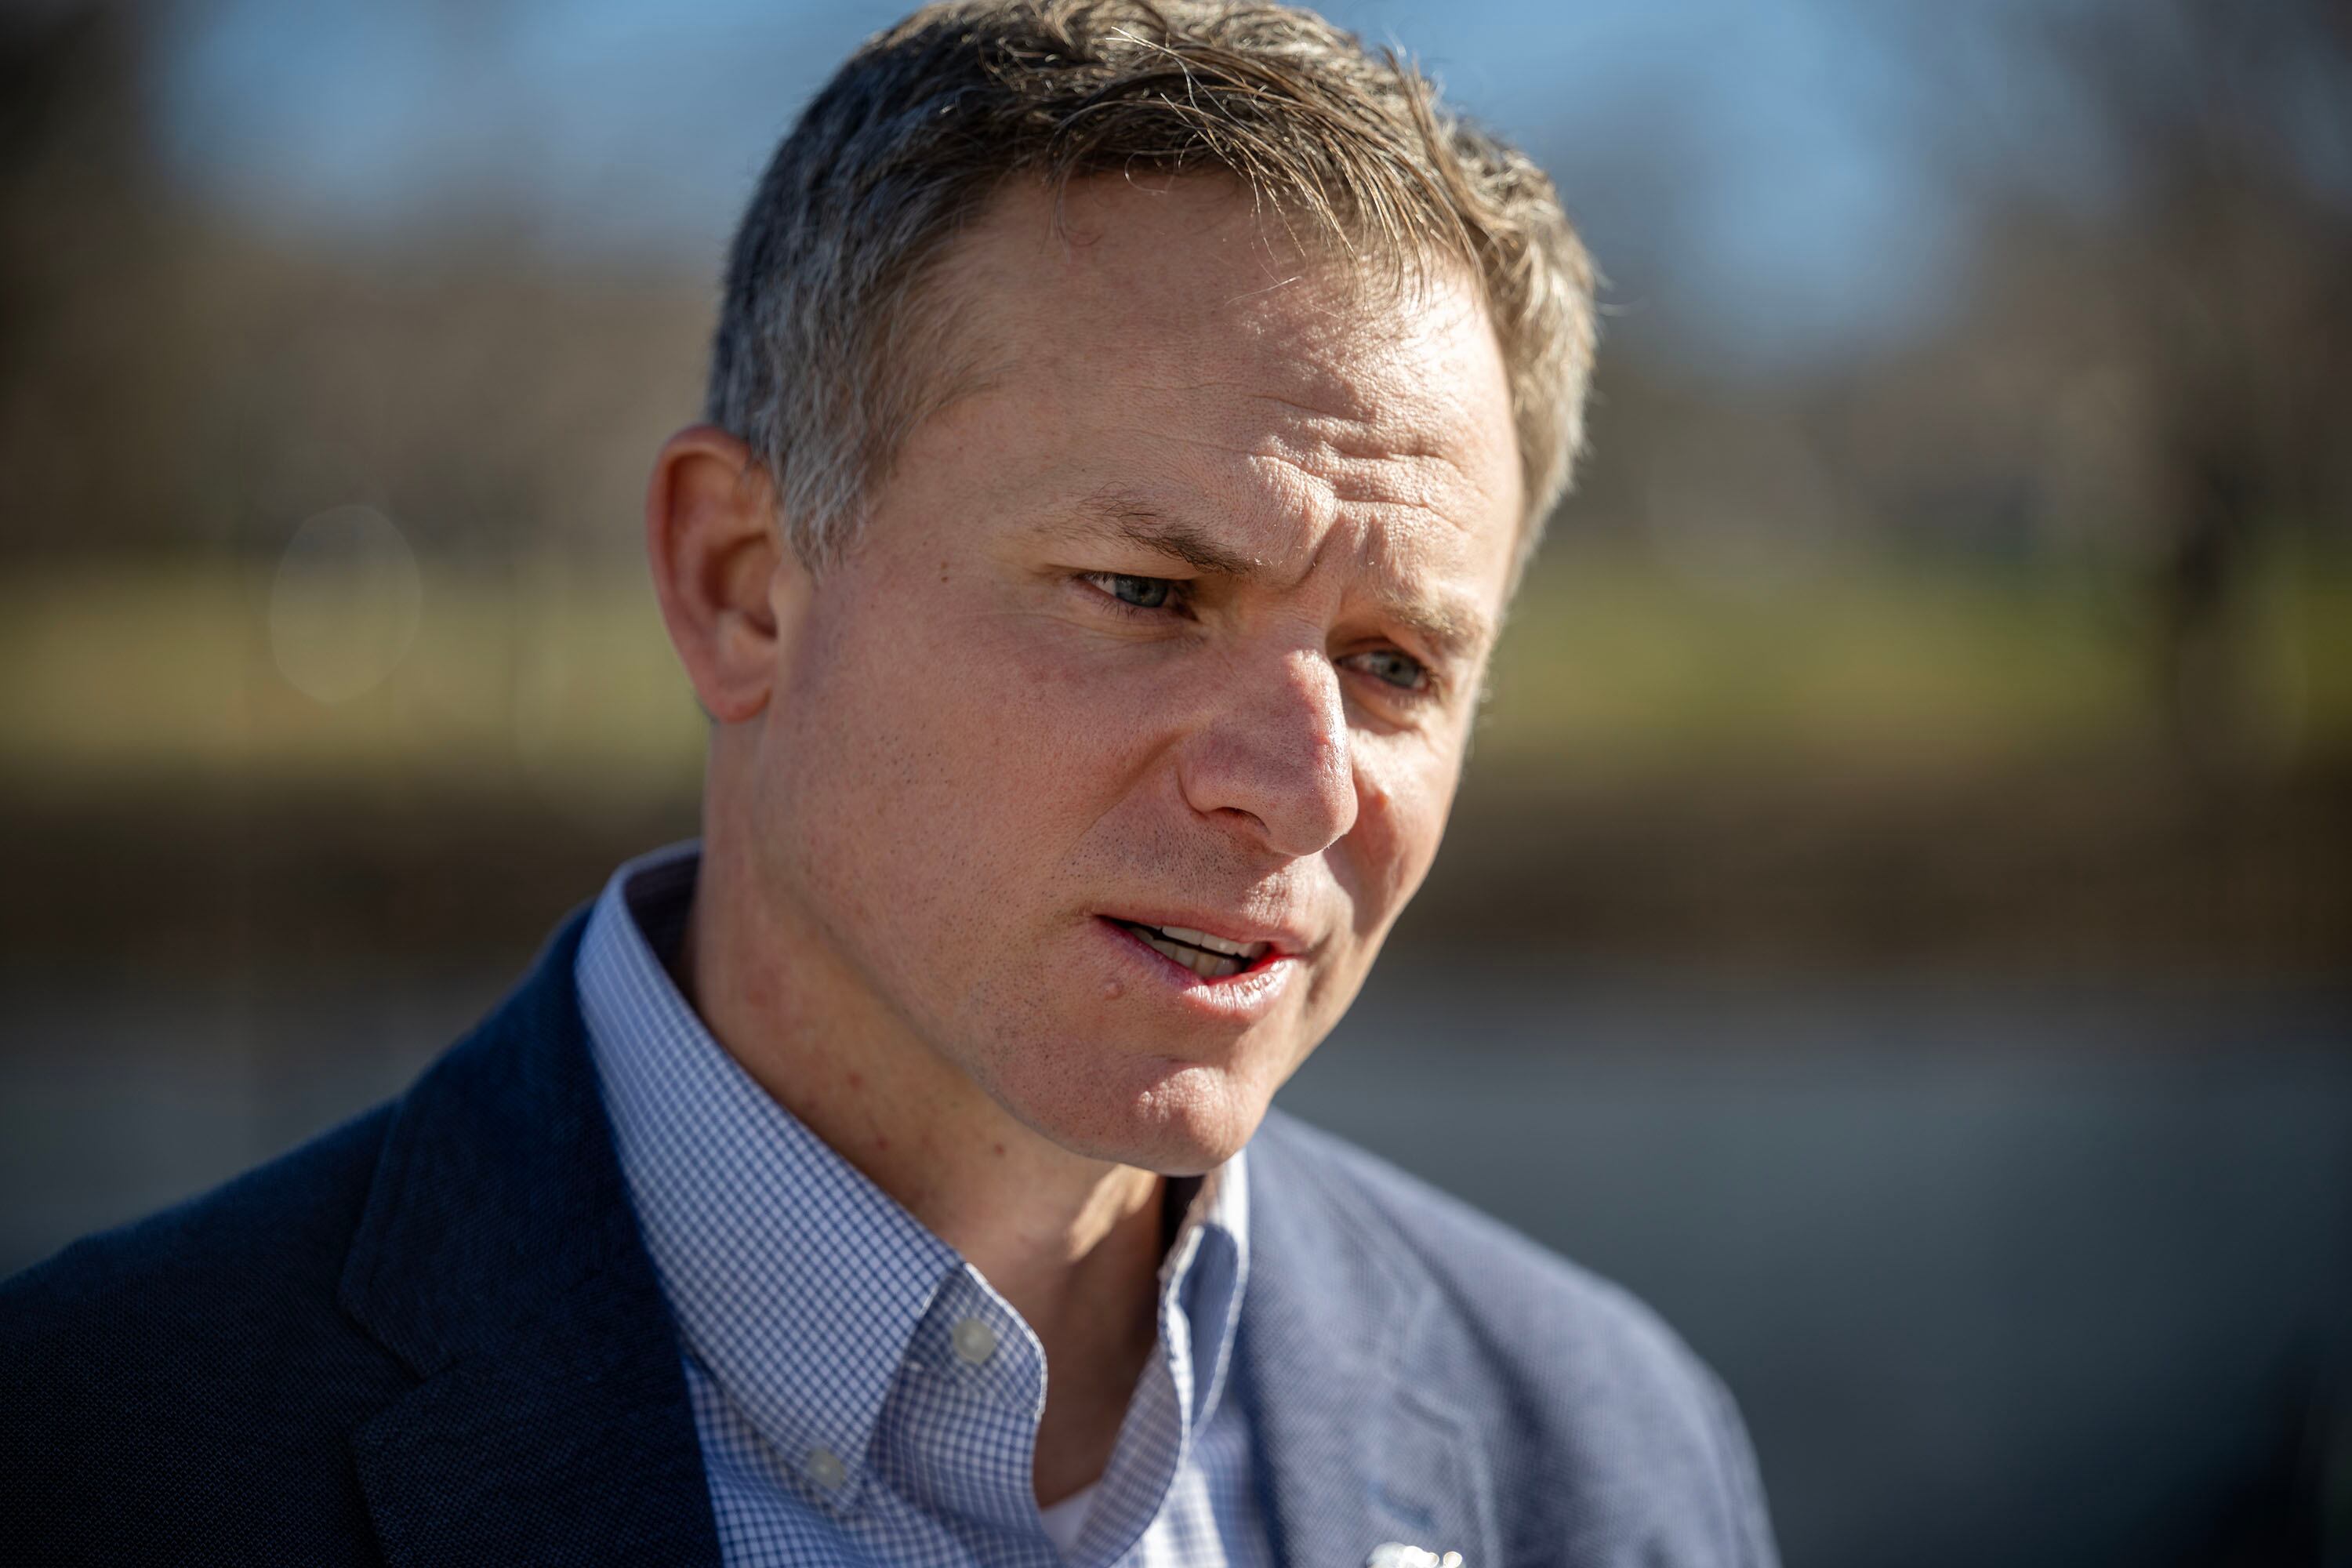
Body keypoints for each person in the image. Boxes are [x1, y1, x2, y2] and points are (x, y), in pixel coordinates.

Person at [0, 2, 1778, 1564]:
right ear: (743, 583)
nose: (1299, 787)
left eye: (1396, 663)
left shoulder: (1599, 1446)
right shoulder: (98, 1454)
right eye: (1151, 596)